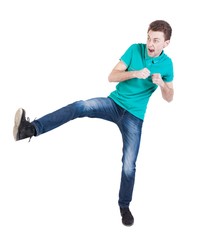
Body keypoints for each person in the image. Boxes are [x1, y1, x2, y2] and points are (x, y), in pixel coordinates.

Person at [13, 20, 174, 227]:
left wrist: (162, 84)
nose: (150, 43)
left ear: (166, 43)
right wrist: (134, 73)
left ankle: (124, 206)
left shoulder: (167, 65)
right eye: (149, 38)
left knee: (129, 165)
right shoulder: (135, 49)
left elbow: (169, 97)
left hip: (135, 117)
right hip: (113, 104)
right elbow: (111, 76)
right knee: (80, 106)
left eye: (156, 40)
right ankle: (30, 129)